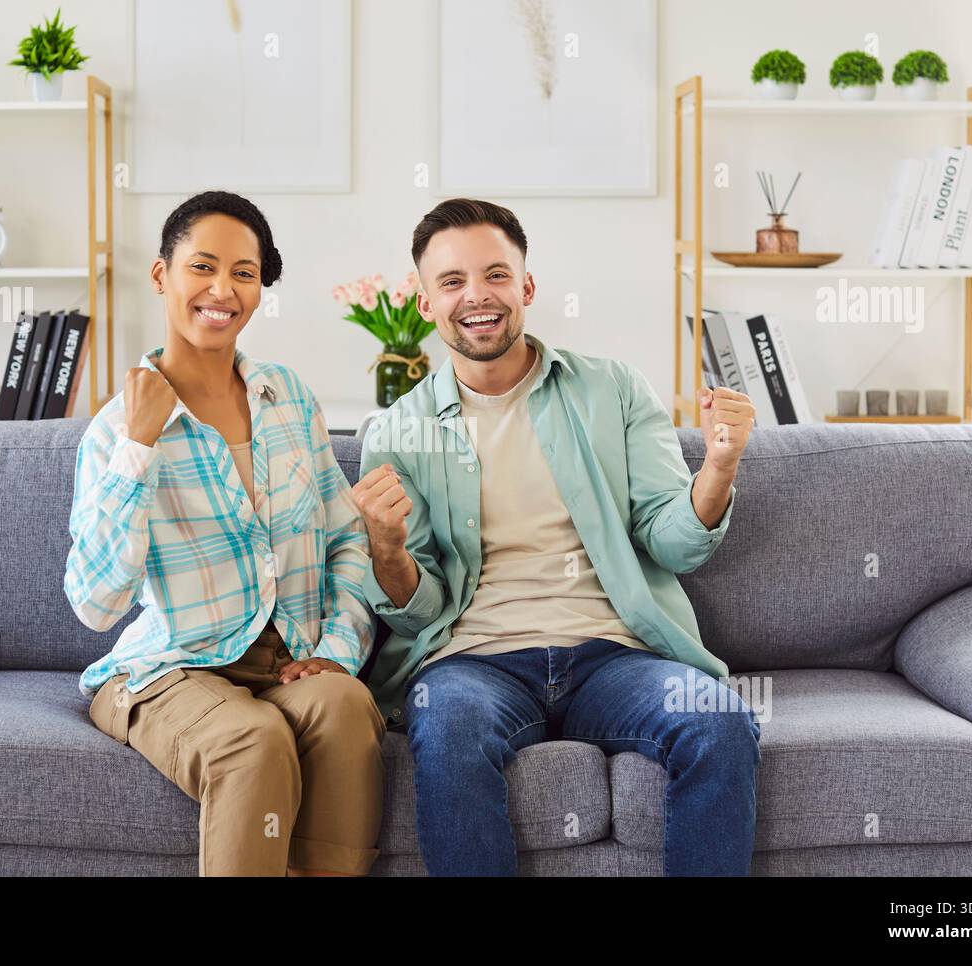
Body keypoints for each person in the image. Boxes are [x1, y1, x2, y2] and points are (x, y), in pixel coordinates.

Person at [352, 198, 761, 876]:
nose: (476, 296)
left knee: (718, 721)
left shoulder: (613, 390)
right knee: (444, 725)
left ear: (527, 287)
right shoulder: (397, 431)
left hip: (614, 654)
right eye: (452, 282)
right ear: (426, 303)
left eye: (495, 275)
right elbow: (417, 609)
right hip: (474, 663)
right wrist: (388, 550)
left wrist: (717, 469)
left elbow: (674, 542)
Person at [66, 190, 383, 876]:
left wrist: (336, 646)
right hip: (166, 670)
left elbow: (345, 539)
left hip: (284, 655)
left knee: (343, 703)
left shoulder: (288, 398)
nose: (222, 289)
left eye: (244, 273)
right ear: (161, 276)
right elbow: (94, 603)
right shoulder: (116, 431)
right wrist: (140, 448)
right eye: (202, 267)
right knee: (254, 737)